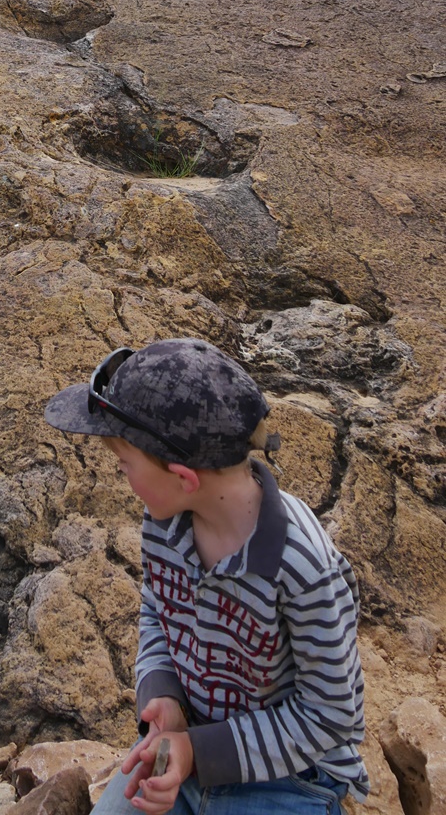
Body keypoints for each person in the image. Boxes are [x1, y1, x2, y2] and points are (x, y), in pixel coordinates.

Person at [44, 338, 368, 815]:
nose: (123, 477)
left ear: (184, 477)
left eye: (124, 464)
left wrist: (200, 752)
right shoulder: (165, 520)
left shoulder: (302, 565)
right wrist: (164, 696)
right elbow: (158, 608)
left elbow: (331, 715)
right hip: (186, 745)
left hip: (291, 778)